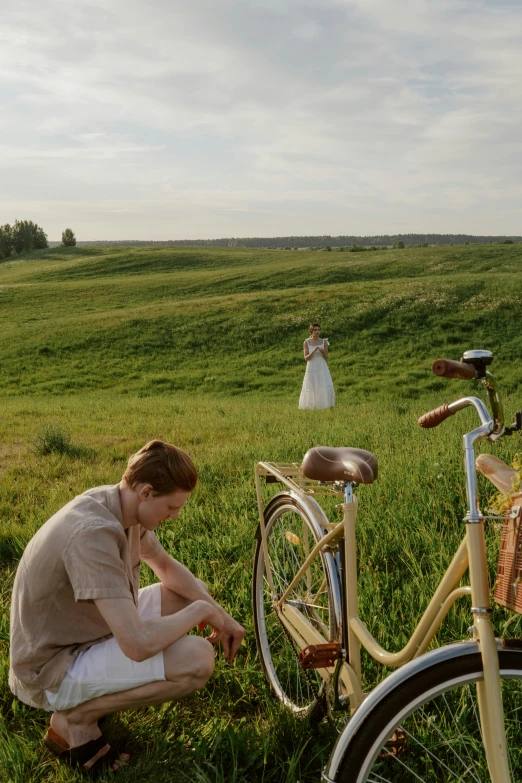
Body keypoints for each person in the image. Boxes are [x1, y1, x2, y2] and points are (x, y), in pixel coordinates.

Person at [9, 440, 245, 776]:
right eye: (172, 507)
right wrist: (199, 614)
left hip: (87, 631)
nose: (176, 516)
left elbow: (164, 565)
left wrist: (221, 615)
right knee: (197, 659)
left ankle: (85, 708)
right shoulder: (92, 534)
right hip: (52, 669)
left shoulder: (119, 504)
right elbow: (137, 645)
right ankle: (76, 719)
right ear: (146, 492)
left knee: (192, 594)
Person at [298, 323, 335, 410]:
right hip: (311, 366)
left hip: (321, 365)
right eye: (315, 330)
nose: (317, 332)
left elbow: (326, 357)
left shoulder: (324, 341)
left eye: (318, 330)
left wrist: (323, 352)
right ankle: (312, 406)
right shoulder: (306, 342)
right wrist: (313, 351)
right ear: (311, 331)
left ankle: (327, 405)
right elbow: (306, 358)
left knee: (324, 383)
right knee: (312, 385)